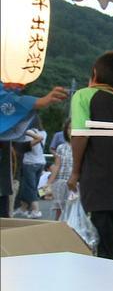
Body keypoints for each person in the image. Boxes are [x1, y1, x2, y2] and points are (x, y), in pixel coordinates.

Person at [69, 52, 113, 262]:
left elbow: (80, 135)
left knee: (101, 246)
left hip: (98, 183)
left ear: (95, 74)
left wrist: (75, 171)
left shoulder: (84, 95)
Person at [0, 85, 67, 217]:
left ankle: (34, 209)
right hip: (35, 163)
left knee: (29, 188)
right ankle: (30, 208)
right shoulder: (40, 134)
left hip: (29, 165)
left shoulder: (20, 141)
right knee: (29, 188)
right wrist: (39, 102)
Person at [13, 116, 47, 219]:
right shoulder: (44, 133)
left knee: (30, 187)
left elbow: (26, 147)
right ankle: (23, 208)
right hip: (41, 162)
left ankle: (36, 210)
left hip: (30, 162)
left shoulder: (28, 133)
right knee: (29, 186)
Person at [46, 119, 73, 220]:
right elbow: (57, 166)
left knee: (74, 211)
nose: (72, 131)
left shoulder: (84, 147)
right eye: (70, 128)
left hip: (76, 185)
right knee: (59, 210)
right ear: (66, 130)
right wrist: (48, 185)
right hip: (61, 183)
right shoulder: (61, 147)